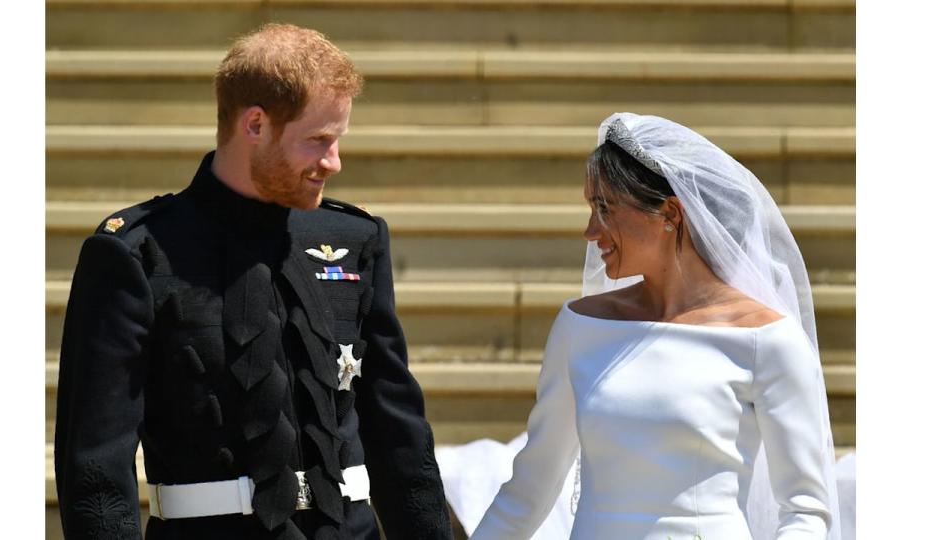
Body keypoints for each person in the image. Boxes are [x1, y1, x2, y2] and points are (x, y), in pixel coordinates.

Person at [54, 23, 453, 540]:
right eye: (318, 141)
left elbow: (400, 434)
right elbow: (95, 468)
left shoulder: (354, 237)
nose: (334, 162)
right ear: (256, 125)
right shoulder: (135, 253)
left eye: (337, 140)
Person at [468, 113, 841, 539]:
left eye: (605, 209)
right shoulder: (580, 327)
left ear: (670, 213)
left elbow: (806, 511)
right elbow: (528, 491)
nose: (591, 231)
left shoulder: (767, 341)